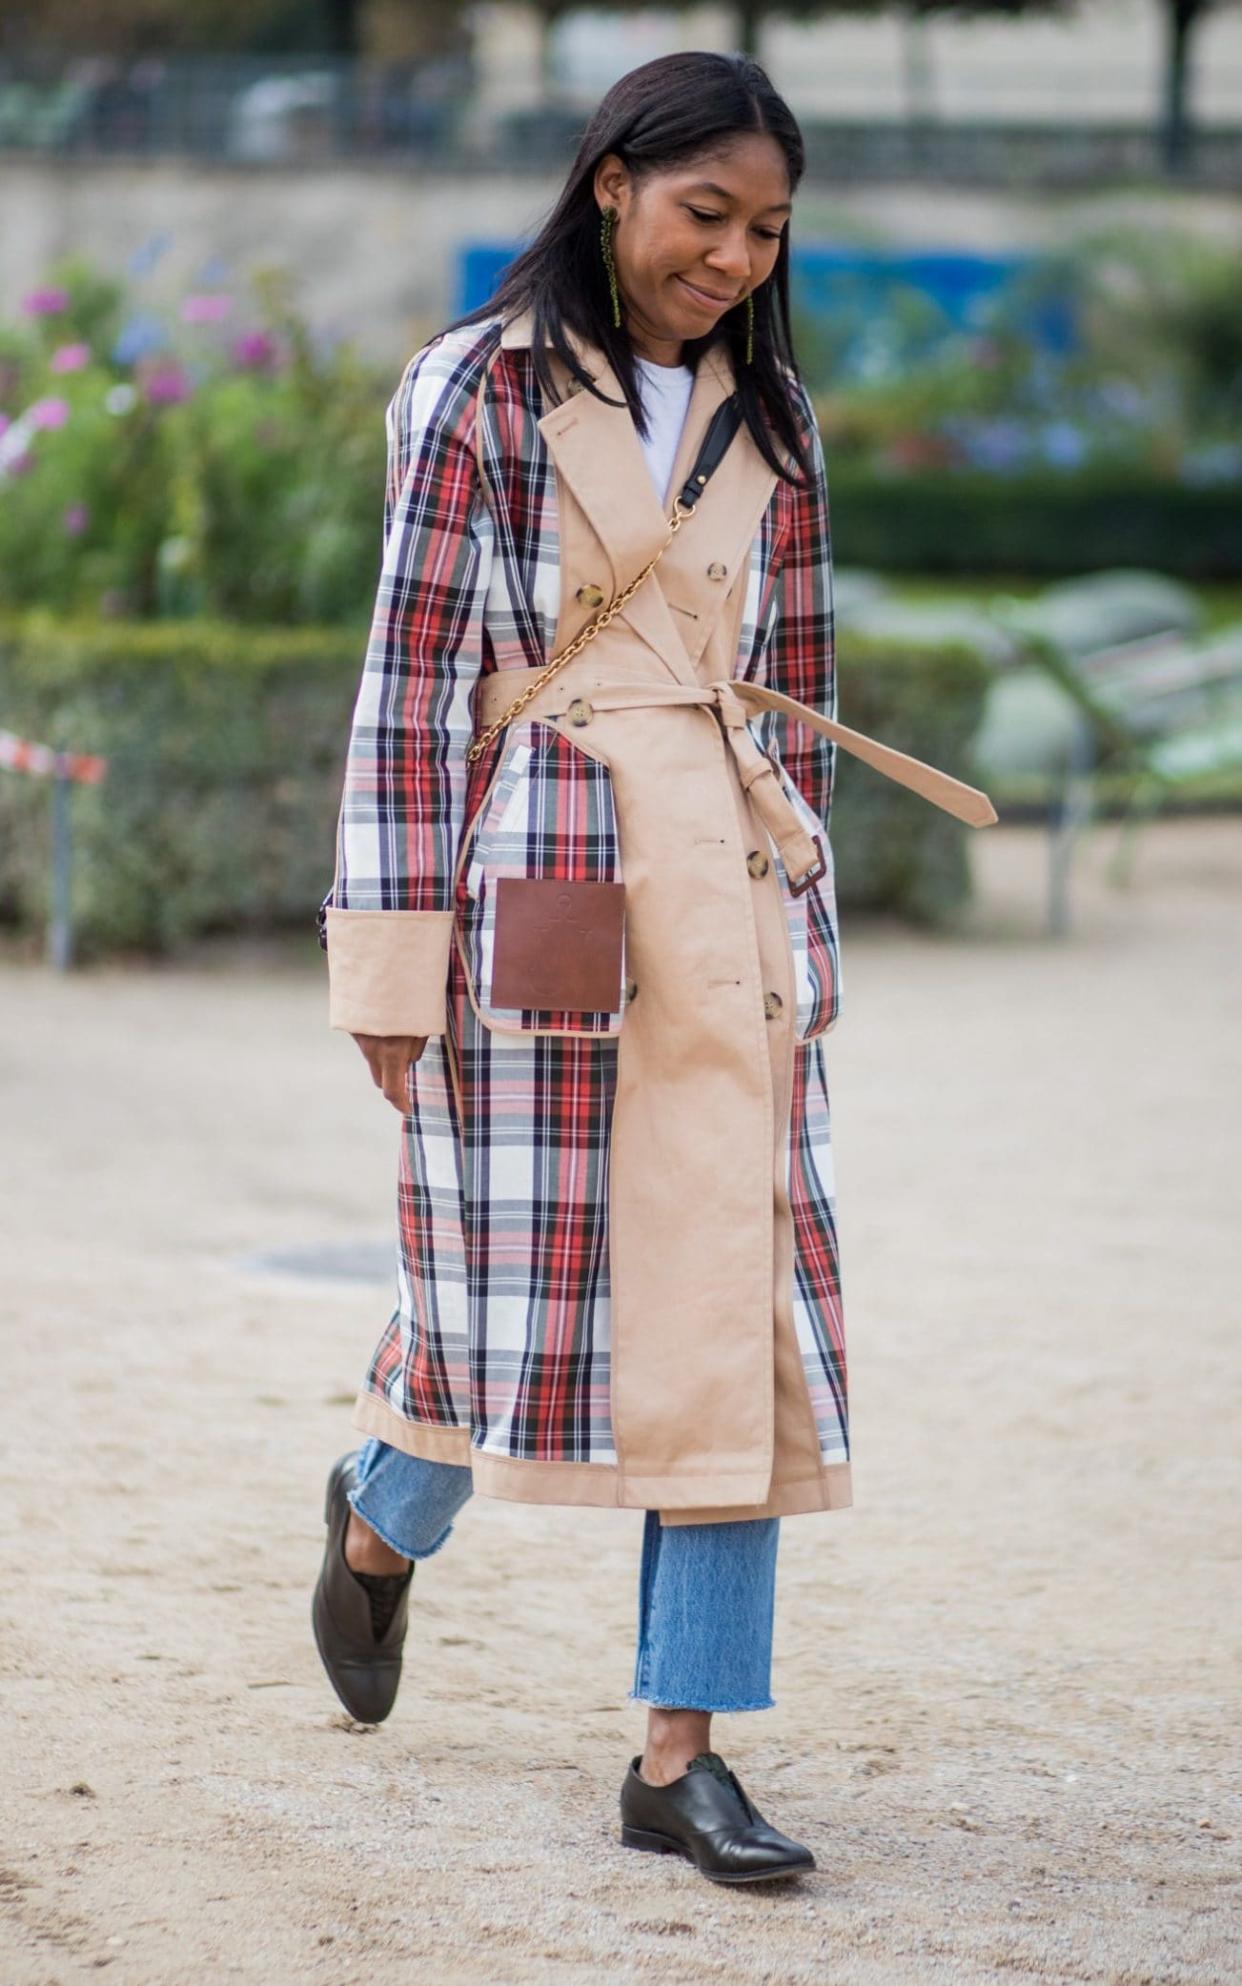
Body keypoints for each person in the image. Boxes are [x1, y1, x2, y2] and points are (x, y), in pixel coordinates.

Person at [312, 49, 994, 1886]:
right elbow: (406, 681)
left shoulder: (776, 419)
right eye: (707, 215)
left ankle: (677, 1754)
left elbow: (810, 681)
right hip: (544, 881)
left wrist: (806, 902)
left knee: (728, 1320)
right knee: (495, 1314)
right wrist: (390, 959)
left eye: (768, 231)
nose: (736, 260)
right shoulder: (474, 389)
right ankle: (380, 1515)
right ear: (609, 181)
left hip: (731, 891)